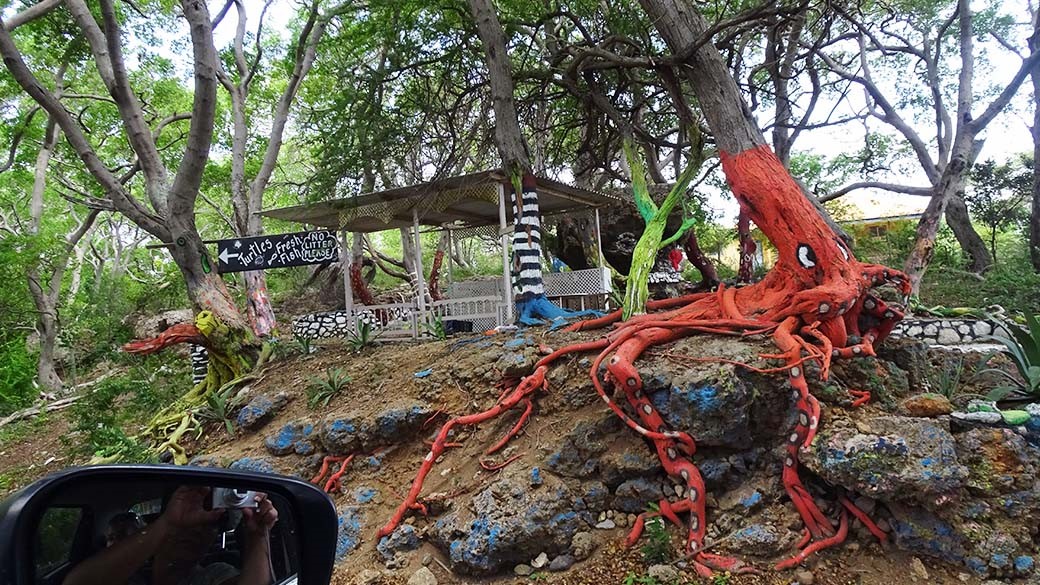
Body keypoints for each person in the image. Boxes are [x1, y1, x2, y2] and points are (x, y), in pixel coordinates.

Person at [61, 486, 278, 585]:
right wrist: (167, 523)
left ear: (214, 537)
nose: (196, 529)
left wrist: (258, 535)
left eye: (210, 523)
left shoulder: (212, 575)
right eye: (190, 518)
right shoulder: (126, 573)